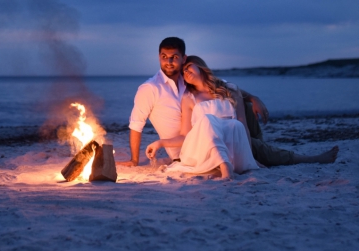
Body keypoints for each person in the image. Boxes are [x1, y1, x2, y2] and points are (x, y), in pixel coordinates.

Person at [118, 37, 339, 168]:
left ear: (184, 58)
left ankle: (255, 149)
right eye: (164, 57)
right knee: (242, 135)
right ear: (158, 57)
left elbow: (224, 87)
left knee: (242, 106)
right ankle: (286, 156)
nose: (169, 61)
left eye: (174, 57)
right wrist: (135, 160)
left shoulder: (191, 81)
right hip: (190, 146)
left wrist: (253, 97)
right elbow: (136, 125)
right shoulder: (150, 89)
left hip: (218, 133)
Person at [146, 55, 261, 179]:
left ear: (199, 65)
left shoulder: (230, 90)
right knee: (207, 120)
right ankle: (225, 167)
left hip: (232, 148)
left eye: (188, 67)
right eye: (183, 72)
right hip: (203, 151)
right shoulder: (189, 98)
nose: (186, 72)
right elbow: (185, 135)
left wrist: (251, 157)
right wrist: (160, 143)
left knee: (235, 124)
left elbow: (243, 125)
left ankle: (226, 162)